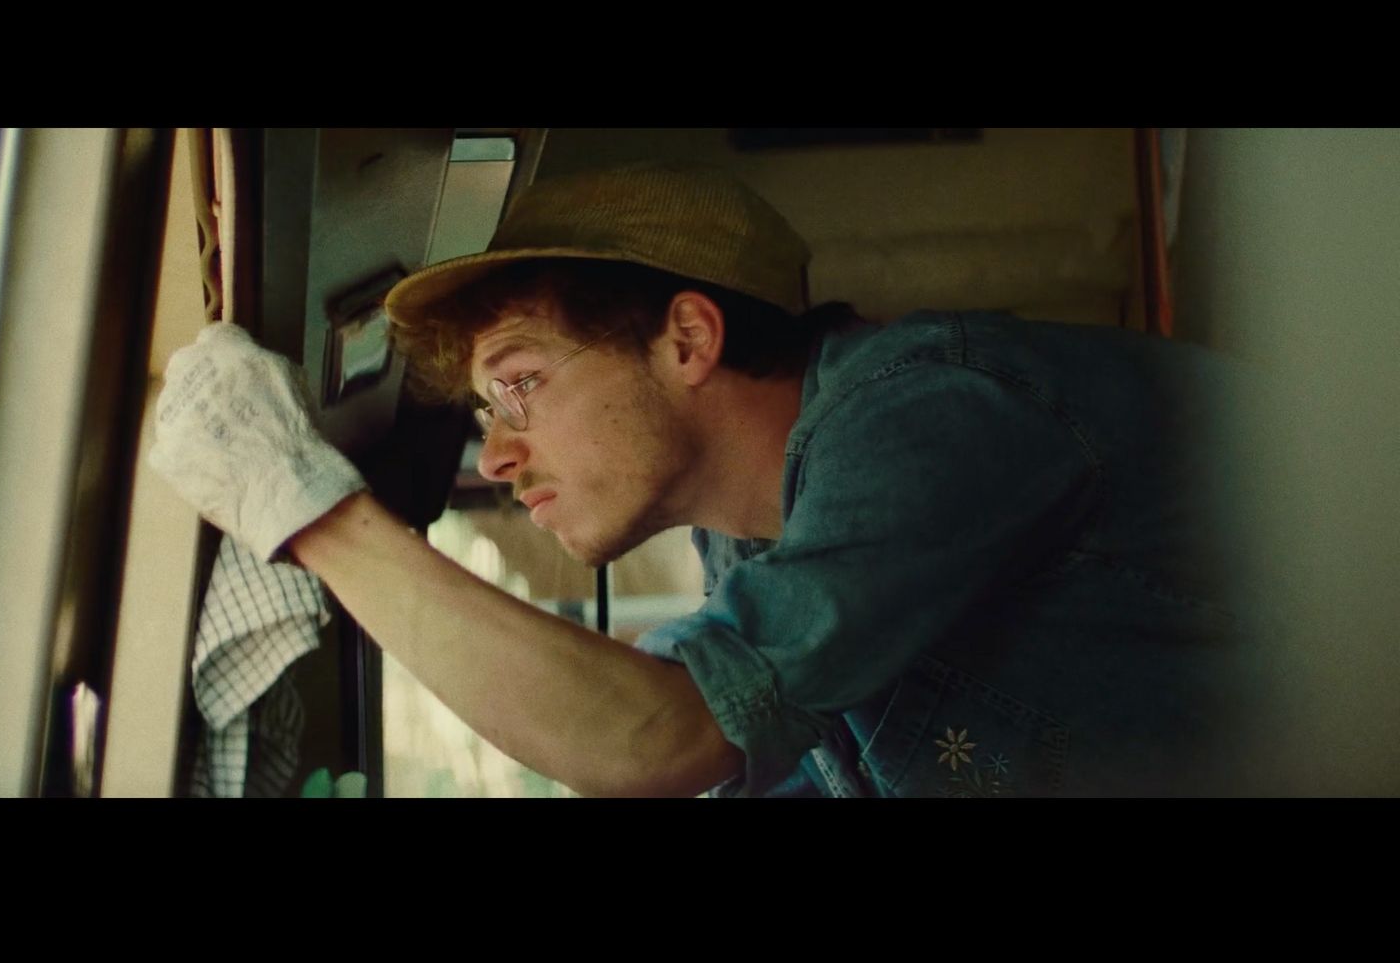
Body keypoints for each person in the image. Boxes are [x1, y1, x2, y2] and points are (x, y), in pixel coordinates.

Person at [151, 162, 1276, 797]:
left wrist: (311, 509)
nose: (494, 455)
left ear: (686, 339)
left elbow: (658, 739)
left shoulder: (927, 417)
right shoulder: (748, 544)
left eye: (523, 384)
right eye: (488, 414)